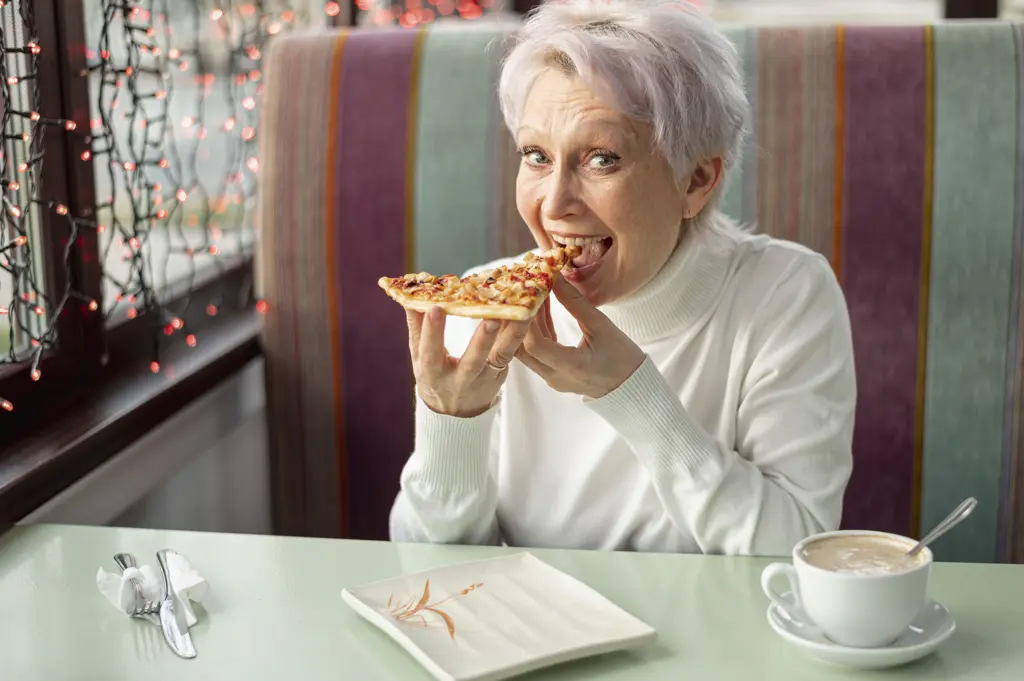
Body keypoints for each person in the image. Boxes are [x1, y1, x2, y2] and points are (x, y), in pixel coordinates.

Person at [389, 0, 856, 556]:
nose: (556, 203)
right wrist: (453, 424)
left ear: (697, 180)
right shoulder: (487, 308)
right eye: (536, 155)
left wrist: (628, 391)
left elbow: (800, 548)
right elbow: (423, 563)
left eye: (602, 159)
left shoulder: (785, 296)